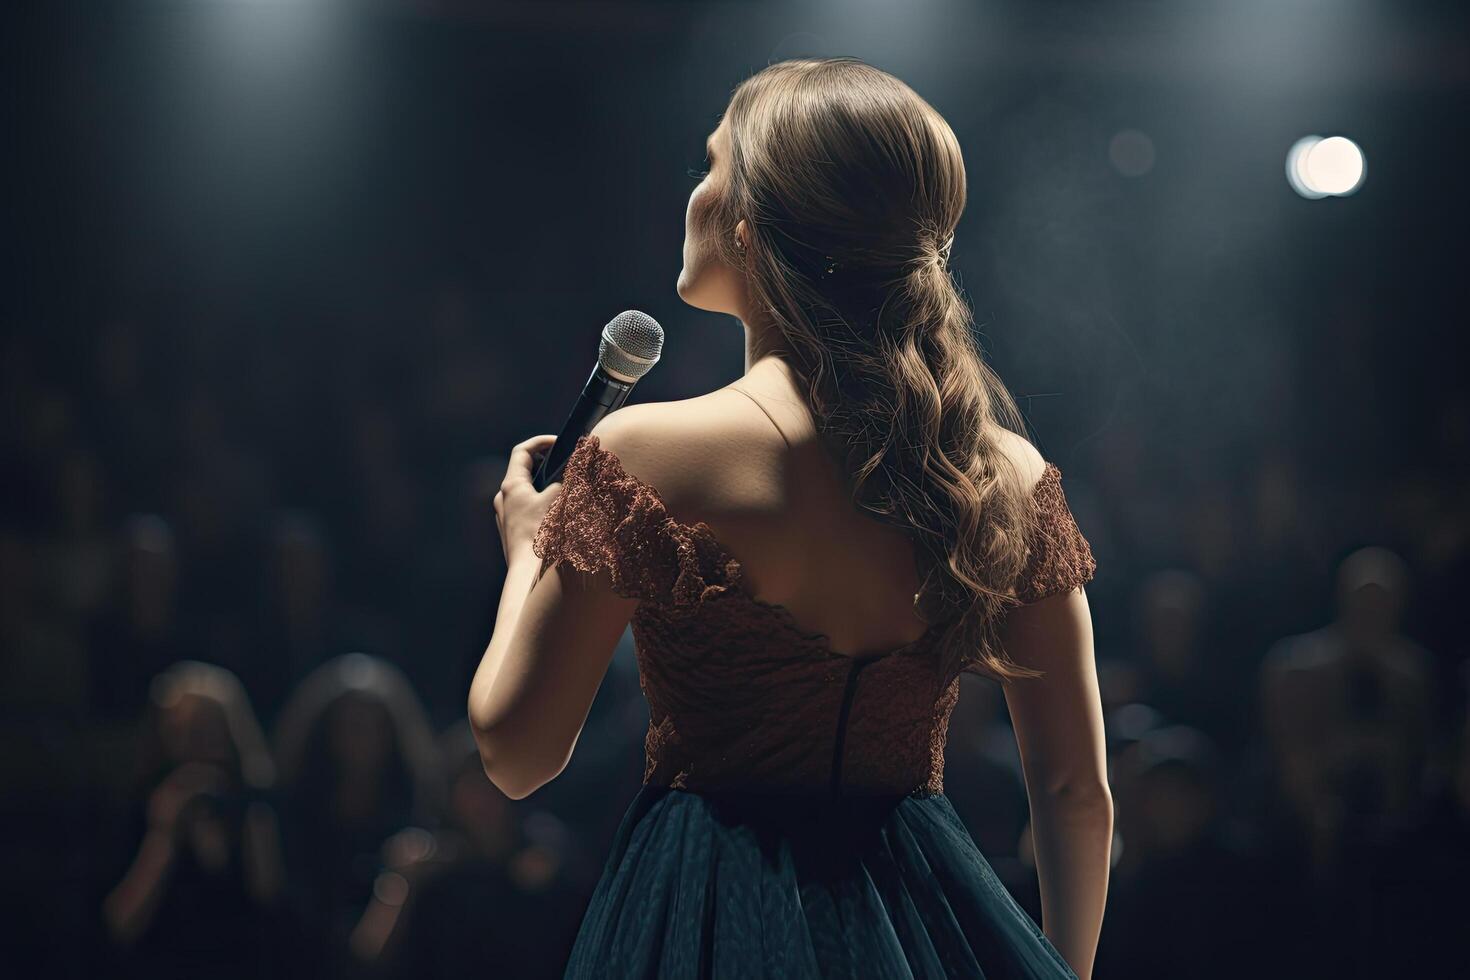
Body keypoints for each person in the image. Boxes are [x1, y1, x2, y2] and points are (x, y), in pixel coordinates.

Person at [470, 56, 1111, 979]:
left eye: (711, 164)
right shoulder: (1000, 472)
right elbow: (1075, 792)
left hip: (703, 912)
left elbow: (514, 753)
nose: (690, 191)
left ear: (749, 226)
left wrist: (529, 549)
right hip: (926, 920)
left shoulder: (649, 453)